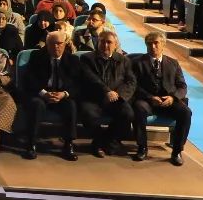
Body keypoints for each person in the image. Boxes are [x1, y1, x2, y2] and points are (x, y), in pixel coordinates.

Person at [17, 30, 88, 161]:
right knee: (37, 105)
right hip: (40, 94)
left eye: (59, 43)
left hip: (62, 95)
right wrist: (43, 93)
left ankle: (68, 144)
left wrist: (64, 94)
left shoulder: (72, 60)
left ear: (65, 44)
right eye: (52, 44)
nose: (56, 46)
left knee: (71, 105)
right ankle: (31, 144)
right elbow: (29, 80)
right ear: (47, 44)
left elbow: (78, 84)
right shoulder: (36, 56)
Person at [131, 31, 192, 166]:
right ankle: (142, 147)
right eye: (149, 44)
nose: (153, 47)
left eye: (156, 43)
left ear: (163, 44)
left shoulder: (173, 63)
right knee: (138, 108)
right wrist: (150, 97)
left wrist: (173, 97)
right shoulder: (137, 63)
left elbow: (182, 86)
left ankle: (177, 151)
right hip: (147, 101)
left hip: (169, 101)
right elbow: (134, 86)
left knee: (186, 112)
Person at [79, 30, 138, 158]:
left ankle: (109, 141)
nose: (105, 45)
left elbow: (131, 81)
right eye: (102, 42)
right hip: (93, 97)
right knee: (88, 115)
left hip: (116, 98)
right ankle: (99, 143)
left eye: (109, 42)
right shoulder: (87, 58)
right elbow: (90, 78)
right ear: (97, 43)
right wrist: (106, 91)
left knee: (128, 114)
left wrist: (118, 94)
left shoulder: (124, 60)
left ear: (115, 44)